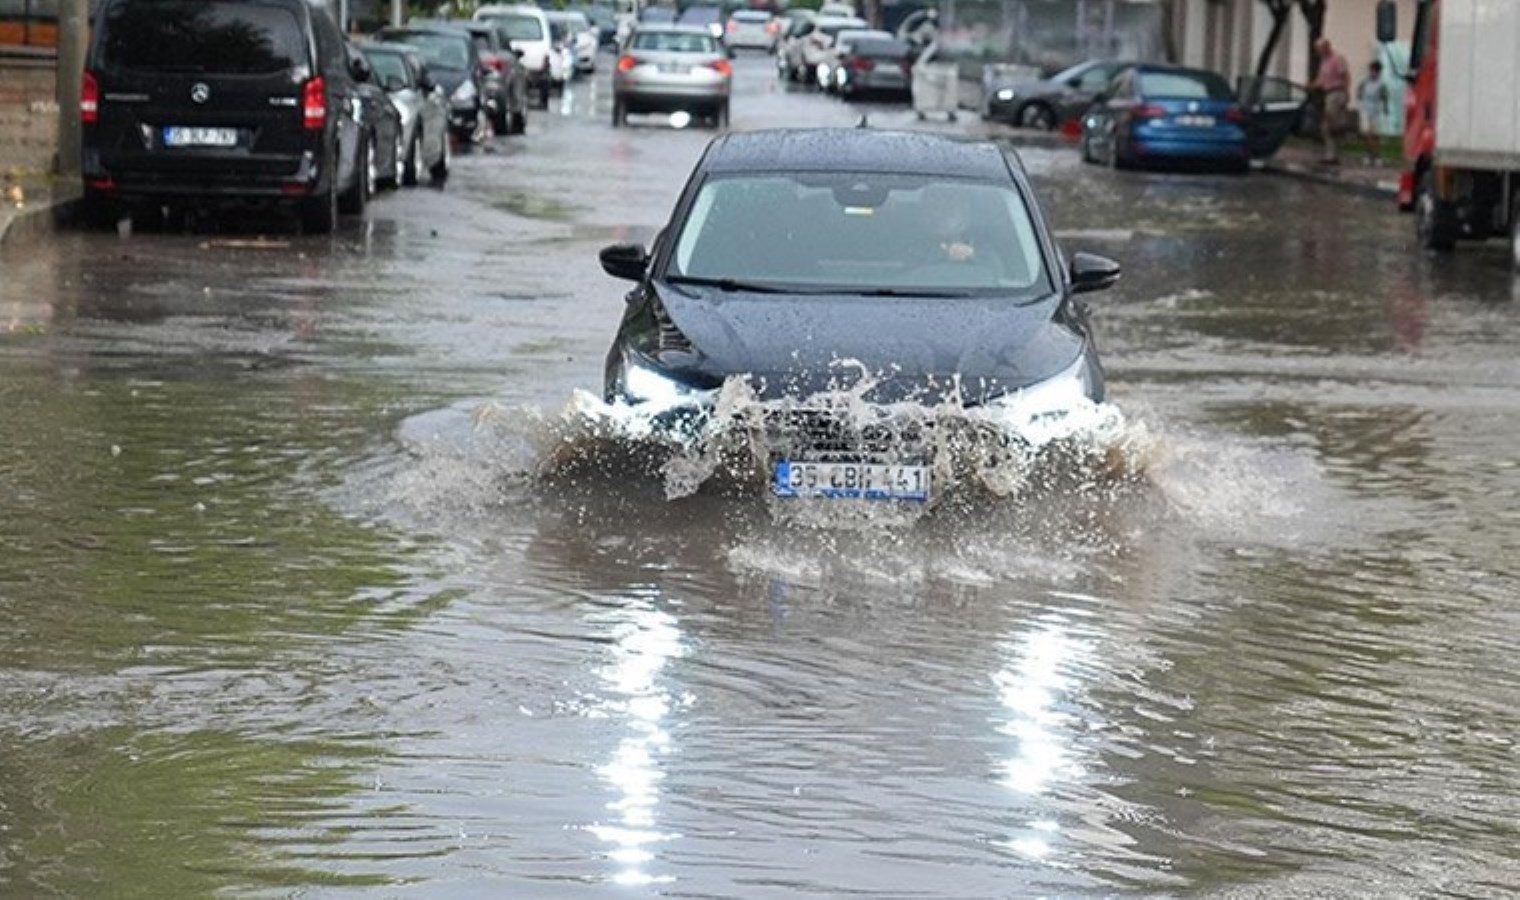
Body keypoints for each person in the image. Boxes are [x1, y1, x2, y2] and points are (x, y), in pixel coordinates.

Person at [1313, 38, 1351, 165]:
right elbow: (1321, 79)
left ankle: (1333, 155)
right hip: (1328, 93)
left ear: (1327, 47)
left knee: (1330, 123)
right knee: (1327, 126)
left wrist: (1346, 93)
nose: (1318, 52)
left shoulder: (1337, 59)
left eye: (1320, 49)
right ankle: (1331, 155)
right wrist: (1311, 85)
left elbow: (1345, 76)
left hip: (1337, 92)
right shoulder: (1324, 61)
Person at [1358, 60, 1390, 165]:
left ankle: (1376, 156)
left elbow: (1385, 97)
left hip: (1376, 109)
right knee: (1366, 133)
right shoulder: (1364, 81)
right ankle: (1368, 154)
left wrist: (1385, 109)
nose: (1373, 73)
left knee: (1374, 134)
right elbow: (1359, 91)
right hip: (1365, 108)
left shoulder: (1381, 84)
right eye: (1372, 70)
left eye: (1376, 71)